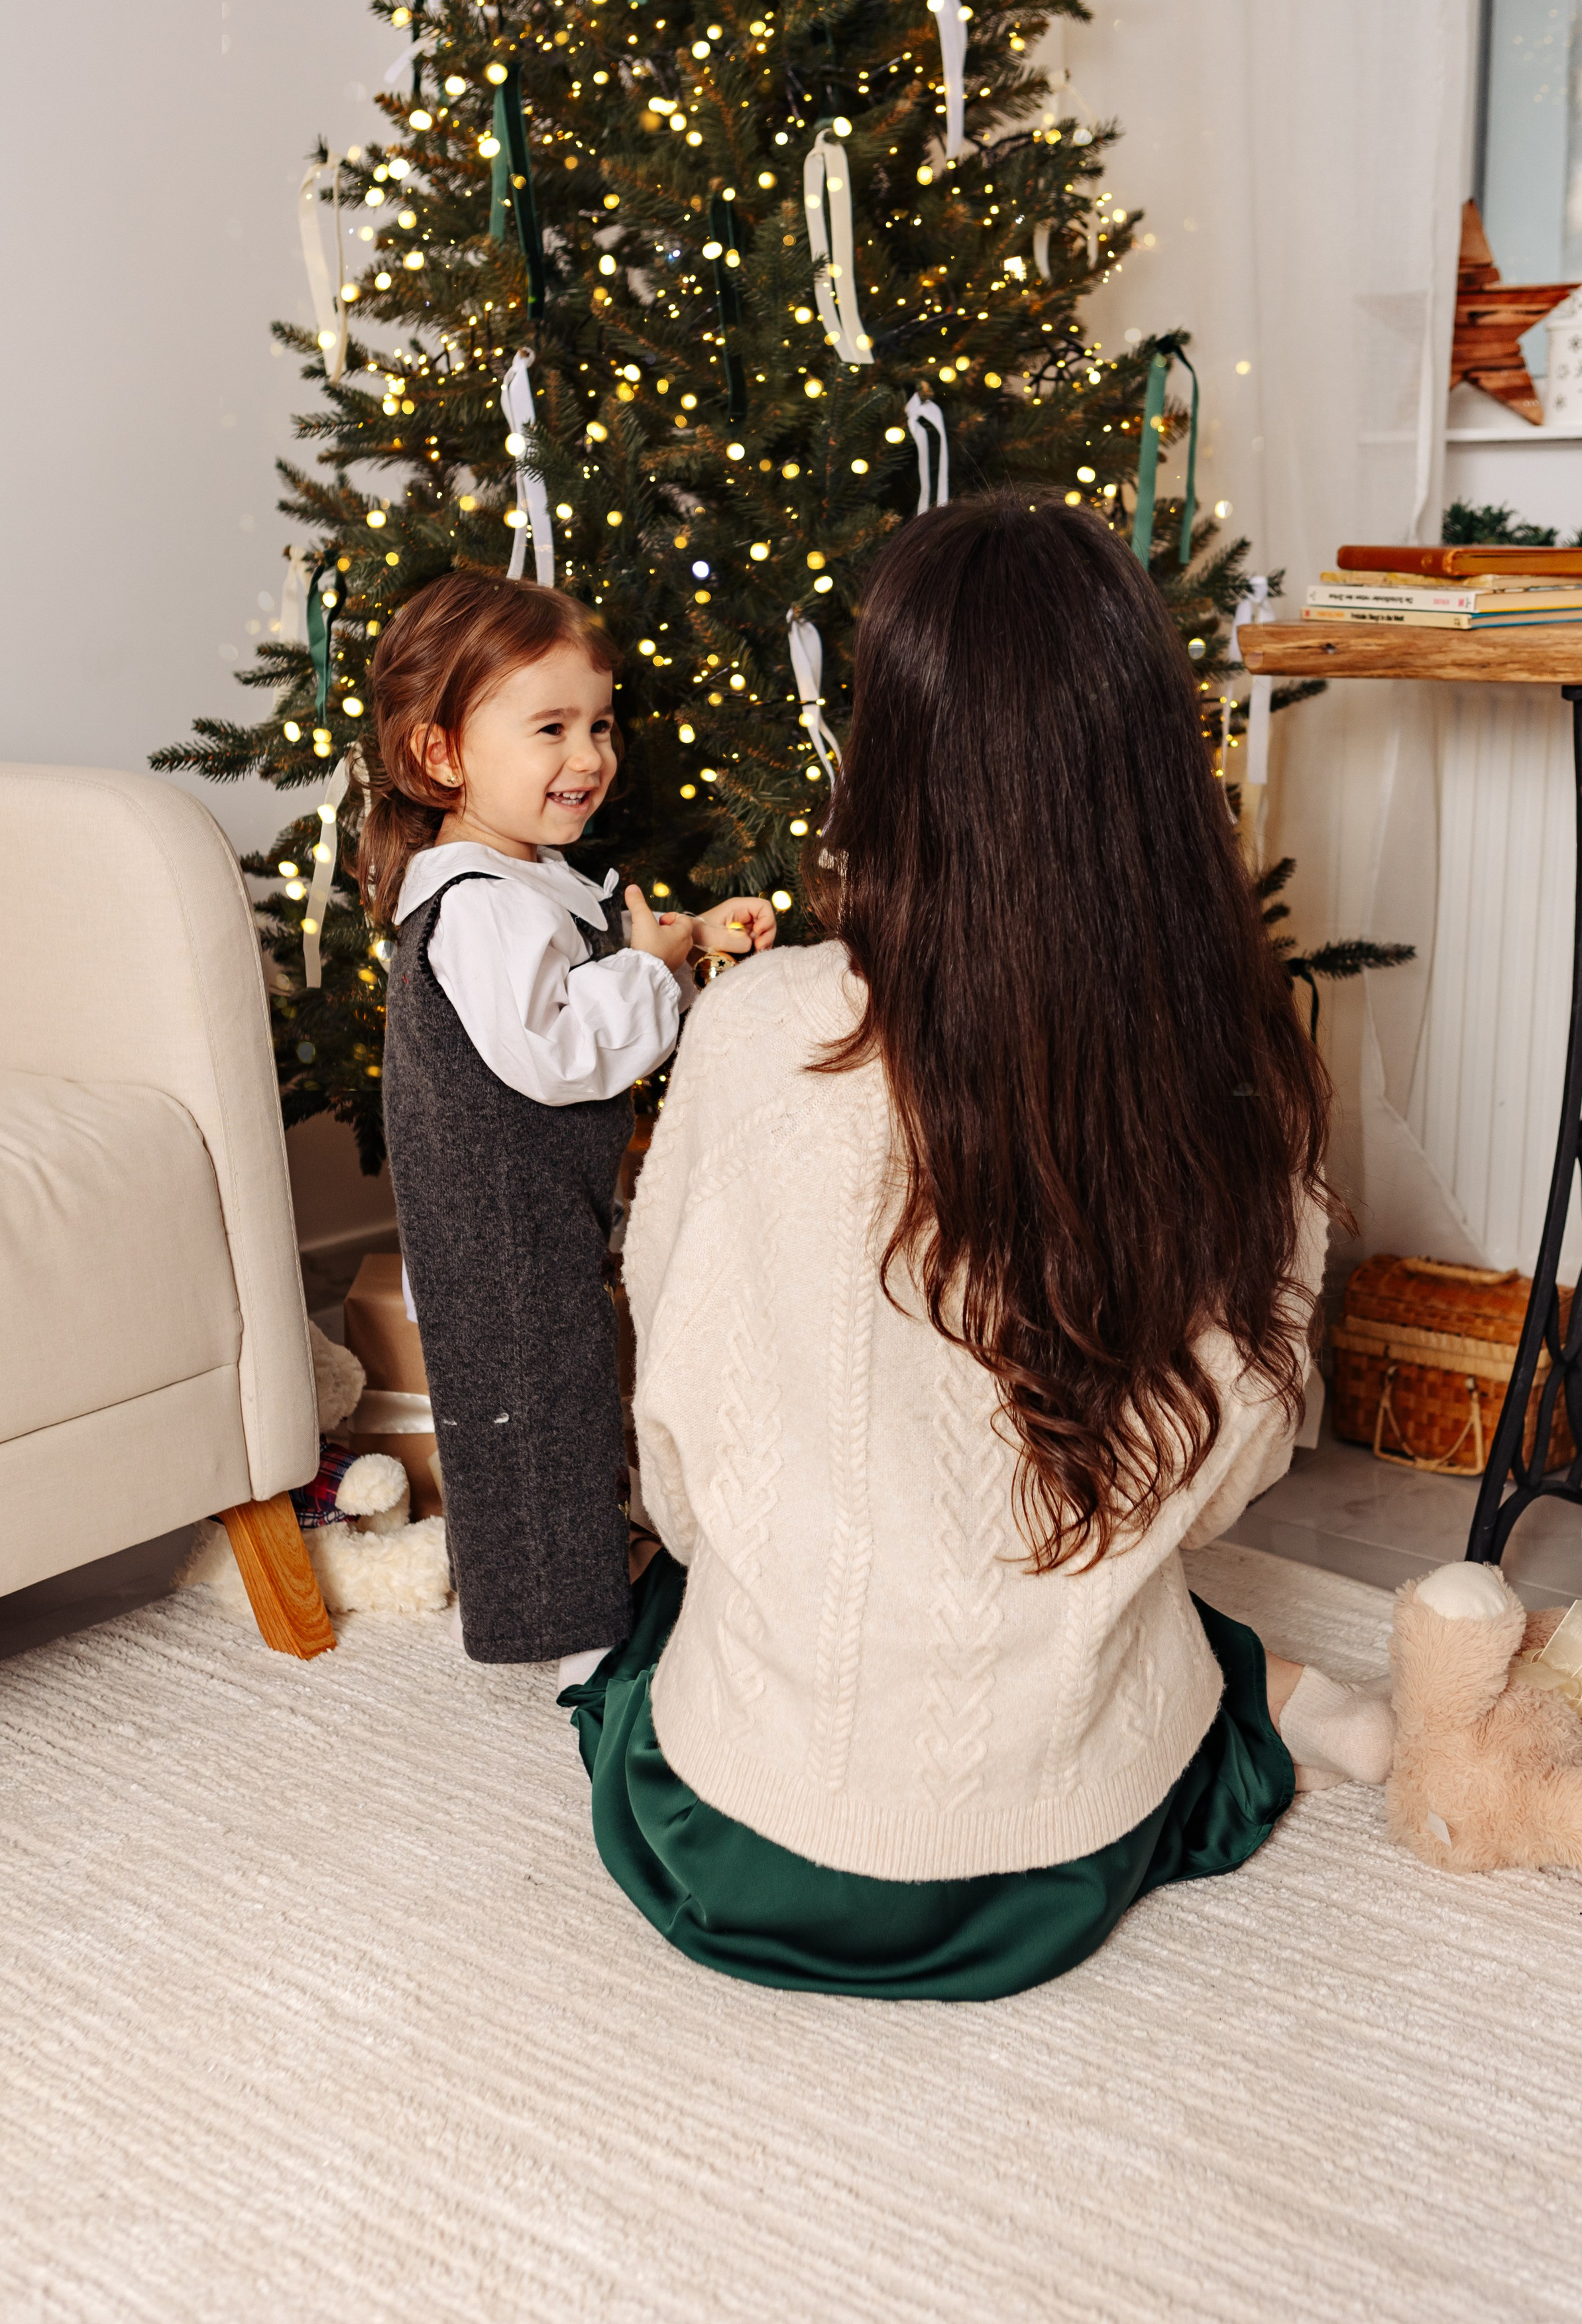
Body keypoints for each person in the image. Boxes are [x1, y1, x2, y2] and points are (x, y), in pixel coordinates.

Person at [562, 493, 1392, 2000]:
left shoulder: (757, 1033)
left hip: (746, 1837)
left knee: (653, 1635)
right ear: (1147, 763)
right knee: (1148, 1623)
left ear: (890, 756)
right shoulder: (1228, 1061)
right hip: (1056, 1844)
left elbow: (675, 1422)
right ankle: (1252, 1706)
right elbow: (1234, 1455)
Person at [360, 572, 774, 1675]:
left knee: (575, 1398)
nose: (588, 757)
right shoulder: (478, 902)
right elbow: (556, 1048)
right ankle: (572, 1641)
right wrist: (647, 971)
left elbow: (594, 973)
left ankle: (595, 1584)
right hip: (498, 1230)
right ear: (442, 755)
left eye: (599, 726)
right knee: (533, 1423)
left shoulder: (527, 877)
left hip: (544, 1209)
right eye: (550, 729)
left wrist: (683, 942)